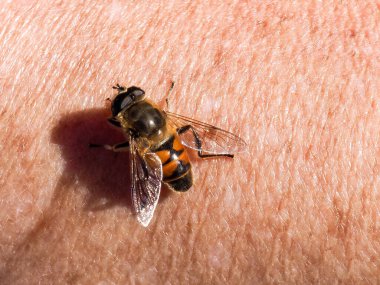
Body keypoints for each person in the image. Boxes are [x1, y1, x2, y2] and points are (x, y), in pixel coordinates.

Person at [1, 1, 378, 284]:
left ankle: (192, 158)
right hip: (172, 148)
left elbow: (128, 153)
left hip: (162, 158)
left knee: (144, 156)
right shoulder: (158, 115)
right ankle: (200, 156)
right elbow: (166, 126)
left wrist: (104, 148)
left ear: (122, 119)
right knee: (185, 136)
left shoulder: (130, 133)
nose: (124, 97)